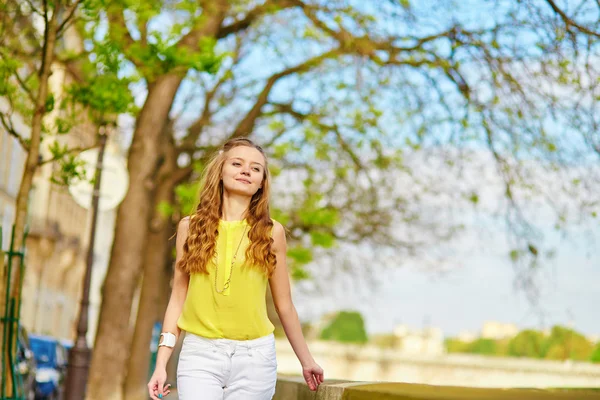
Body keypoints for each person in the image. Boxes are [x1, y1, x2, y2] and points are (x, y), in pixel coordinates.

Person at [147, 138, 324, 400]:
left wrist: (306, 360)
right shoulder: (191, 227)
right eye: (237, 163)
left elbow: (284, 305)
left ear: (262, 182)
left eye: (255, 168)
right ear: (220, 171)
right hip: (200, 353)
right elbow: (178, 299)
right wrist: (161, 363)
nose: (246, 171)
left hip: (255, 358)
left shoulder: (271, 232)